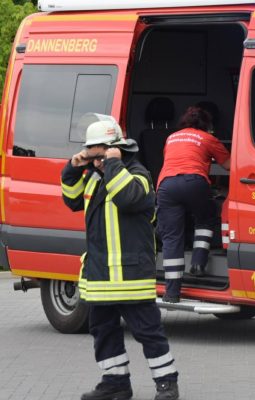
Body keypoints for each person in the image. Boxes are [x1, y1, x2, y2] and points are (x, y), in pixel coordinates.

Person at [61, 114, 179, 400]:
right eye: (92, 155)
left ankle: (166, 382)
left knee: (147, 331)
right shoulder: (94, 177)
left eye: (99, 154)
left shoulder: (137, 174)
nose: (96, 161)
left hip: (130, 275)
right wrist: (73, 169)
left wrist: (113, 162)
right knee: (103, 330)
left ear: (116, 149)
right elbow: (71, 199)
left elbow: (127, 198)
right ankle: (115, 382)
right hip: (101, 275)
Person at [156, 106, 230, 303]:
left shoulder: (172, 137)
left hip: (166, 185)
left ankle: (171, 293)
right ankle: (198, 262)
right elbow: (229, 164)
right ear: (206, 124)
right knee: (206, 218)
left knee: (172, 236)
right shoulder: (207, 138)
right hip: (194, 183)